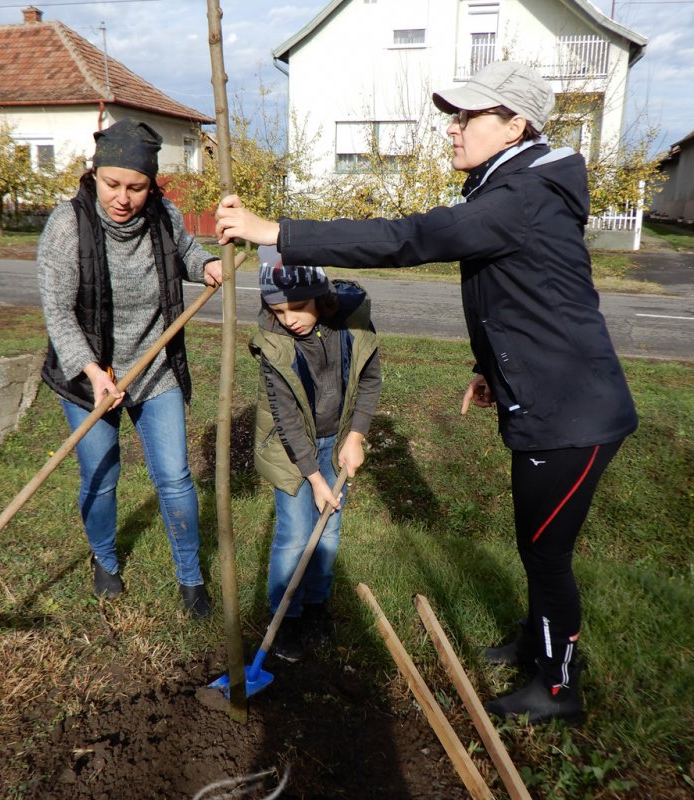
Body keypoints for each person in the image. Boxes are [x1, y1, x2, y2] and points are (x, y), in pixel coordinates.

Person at [215, 61, 638, 721]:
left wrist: (278, 233)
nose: (452, 128)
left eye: (468, 116)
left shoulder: (520, 196)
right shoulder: (516, 188)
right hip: (555, 397)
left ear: (514, 124)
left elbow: (408, 239)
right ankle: (538, 641)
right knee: (540, 546)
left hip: (570, 414)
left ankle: (557, 686)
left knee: (545, 552)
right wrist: (488, 366)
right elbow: (522, 294)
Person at [37, 118, 222, 616]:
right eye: (112, 184)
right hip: (87, 375)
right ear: (94, 174)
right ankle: (104, 560)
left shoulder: (164, 216)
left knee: (176, 477)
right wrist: (95, 373)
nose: (123, 197)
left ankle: (190, 578)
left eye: (136, 187)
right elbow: (57, 311)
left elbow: (184, 251)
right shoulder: (67, 226)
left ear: (151, 185)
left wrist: (207, 265)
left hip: (154, 366)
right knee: (101, 477)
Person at [251, 245, 381, 661]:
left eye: (299, 308)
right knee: (294, 534)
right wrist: (316, 478)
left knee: (329, 530)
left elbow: (370, 380)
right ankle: (284, 616)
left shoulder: (353, 322)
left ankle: (316, 608)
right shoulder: (273, 341)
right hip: (291, 450)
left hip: (338, 438)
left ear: (321, 297)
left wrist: (356, 436)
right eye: (279, 311)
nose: (290, 320)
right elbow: (285, 418)